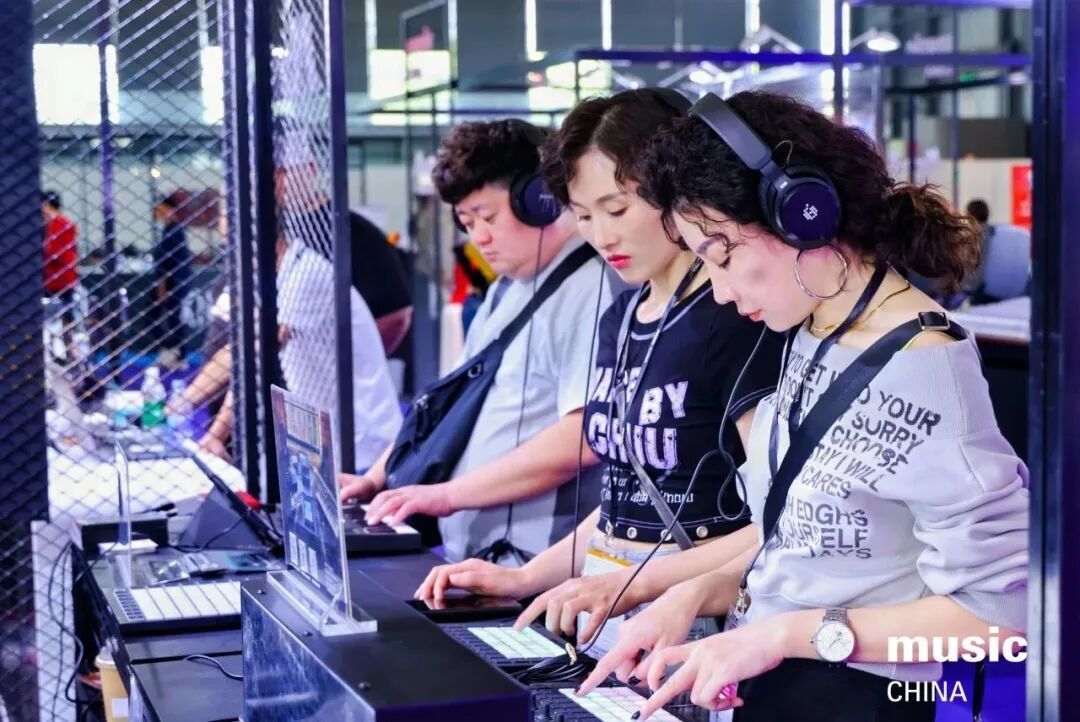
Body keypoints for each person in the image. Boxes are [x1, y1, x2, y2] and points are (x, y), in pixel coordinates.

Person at [575, 91, 1027, 722]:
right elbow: (807, 539)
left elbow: (1001, 624)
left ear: (803, 216)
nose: (725, 293)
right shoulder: (815, 329)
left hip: (868, 700)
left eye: (726, 258)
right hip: (780, 687)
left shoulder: (927, 365)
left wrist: (782, 636)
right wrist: (696, 592)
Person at [412, 91, 783, 672]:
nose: (601, 235)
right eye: (585, 215)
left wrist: (633, 584)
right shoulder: (623, 316)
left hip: (692, 628)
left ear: (672, 190)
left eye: (617, 208)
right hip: (609, 616)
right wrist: (526, 578)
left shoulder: (733, 314)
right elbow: (622, 501)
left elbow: (778, 523)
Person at [340, 119, 618, 566]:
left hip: (533, 568)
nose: (479, 238)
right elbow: (449, 408)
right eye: (467, 222)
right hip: (476, 559)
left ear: (540, 201)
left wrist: (450, 495)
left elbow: (583, 438)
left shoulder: (592, 290)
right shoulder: (506, 289)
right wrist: (377, 479)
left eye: (487, 217)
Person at [274, 229, 402, 470]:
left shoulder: (306, 274)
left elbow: (257, 349)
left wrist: (188, 407)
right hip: (326, 436)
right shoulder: (279, 276)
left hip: (362, 442)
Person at [152, 191, 192, 354]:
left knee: (172, 317)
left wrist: (163, 287)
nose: (157, 213)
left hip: (173, 282)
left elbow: (167, 262)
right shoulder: (171, 230)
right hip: (175, 281)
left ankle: (176, 351)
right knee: (173, 317)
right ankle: (175, 351)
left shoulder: (173, 231)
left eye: (160, 209)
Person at [41, 190, 79, 319]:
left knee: (62, 313)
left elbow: (55, 253)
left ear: (47, 205)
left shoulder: (58, 224)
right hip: (59, 279)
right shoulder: (58, 223)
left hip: (58, 279)